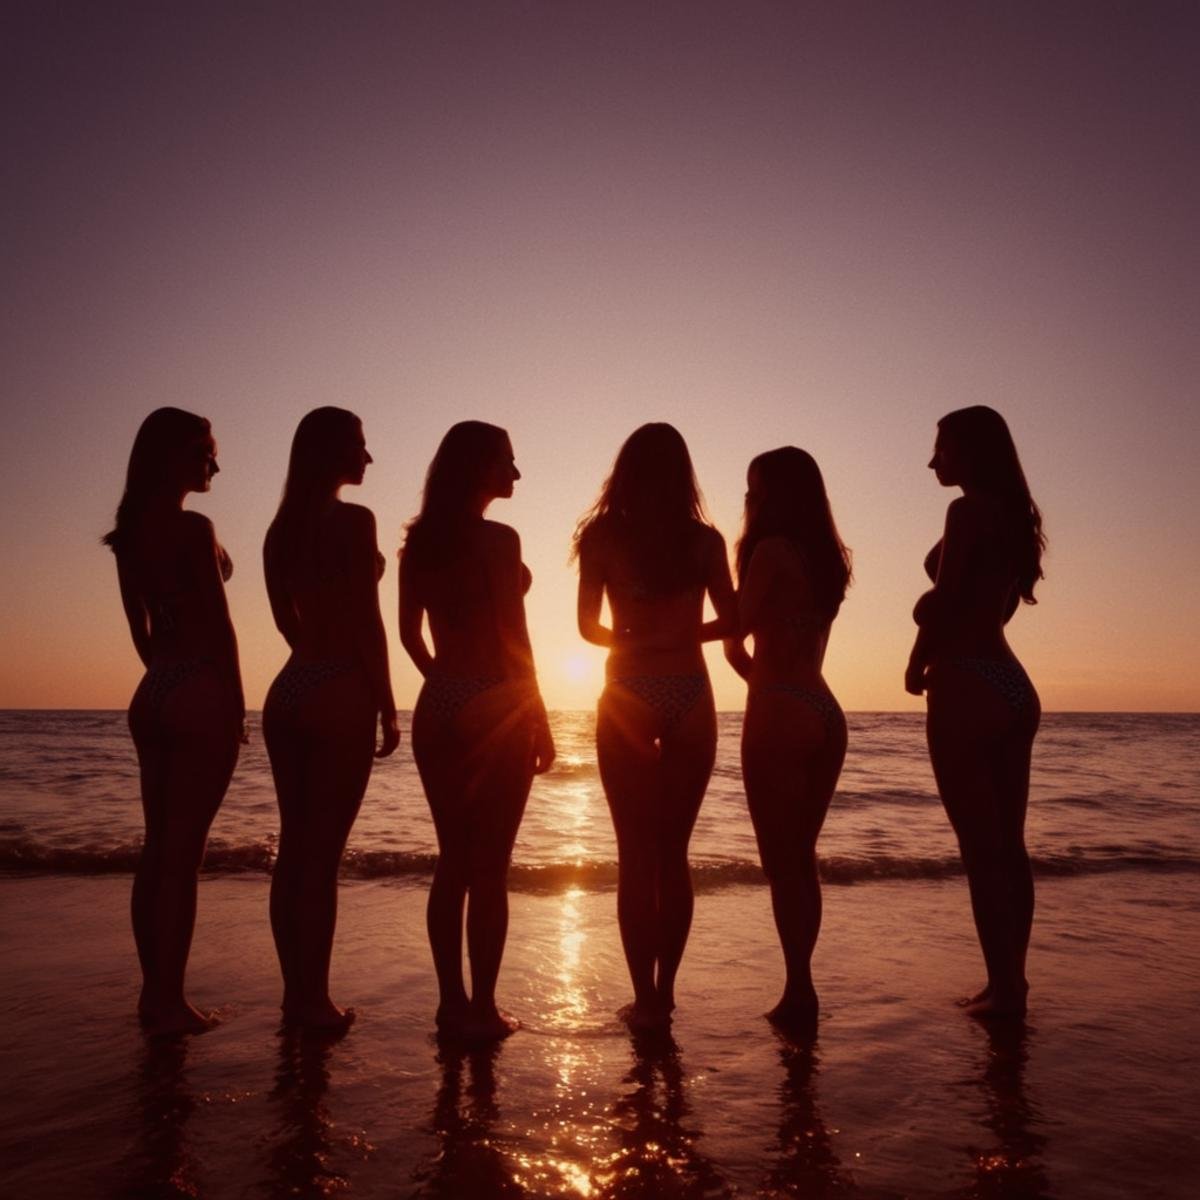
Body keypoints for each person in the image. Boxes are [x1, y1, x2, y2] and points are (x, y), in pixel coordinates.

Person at [573, 423, 736, 1031]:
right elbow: (735, 617)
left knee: (635, 855)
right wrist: (682, 634)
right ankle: (666, 994)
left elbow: (587, 626)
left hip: (627, 692)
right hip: (691, 692)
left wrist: (631, 635)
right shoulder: (704, 540)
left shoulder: (603, 536)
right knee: (674, 855)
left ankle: (643, 1000)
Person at [399, 421, 554, 1041]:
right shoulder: (499, 539)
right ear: (478, 468)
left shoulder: (420, 543)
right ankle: (484, 1011)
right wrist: (535, 714)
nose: (515, 475)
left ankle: (449, 1005)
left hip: (438, 704)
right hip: (497, 699)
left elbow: (410, 635)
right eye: (507, 463)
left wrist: (448, 684)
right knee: (490, 868)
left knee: (452, 864)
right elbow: (515, 637)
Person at [104, 407, 244, 1036]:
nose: (214, 463)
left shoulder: (129, 534)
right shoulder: (193, 527)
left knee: (156, 848)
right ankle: (170, 1001)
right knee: (183, 857)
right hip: (197, 687)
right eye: (205, 451)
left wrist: (165, 678)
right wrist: (233, 701)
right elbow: (219, 625)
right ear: (174, 458)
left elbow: (142, 630)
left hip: (153, 689)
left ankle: (151, 993)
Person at [906, 406, 1045, 1019]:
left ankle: (1003, 990)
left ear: (971, 450)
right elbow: (998, 606)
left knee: (980, 850)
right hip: (1012, 683)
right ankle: (1012, 981)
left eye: (943, 448)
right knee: (1010, 847)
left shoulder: (965, 511)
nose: (934, 461)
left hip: (965, 682)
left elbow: (948, 597)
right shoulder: (1015, 516)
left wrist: (917, 645)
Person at [263, 407, 399, 1033]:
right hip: (340, 687)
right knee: (322, 859)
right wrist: (387, 702)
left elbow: (285, 624)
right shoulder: (354, 520)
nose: (368, 458)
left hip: (291, 687)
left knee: (294, 853)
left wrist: (315, 660)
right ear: (331, 453)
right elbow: (369, 622)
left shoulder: (279, 528)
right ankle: (312, 1002)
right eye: (360, 446)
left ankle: (296, 996)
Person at [723, 447, 852, 1033]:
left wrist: (660, 634)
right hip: (825, 708)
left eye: (754, 490)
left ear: (773, 495)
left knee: (782, 864)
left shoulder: (770, 551)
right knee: (803, 859)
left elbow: (736, 630)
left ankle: (799, 990)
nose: (747, 500)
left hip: (779, 709)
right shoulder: (825, 558)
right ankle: (803, 986)